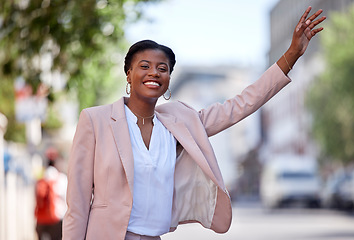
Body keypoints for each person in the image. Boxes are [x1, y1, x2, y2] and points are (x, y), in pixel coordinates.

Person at [63, 6, 326, 240]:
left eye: (162, 68)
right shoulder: (95, 120)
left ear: (167, 81)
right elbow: (77, 203)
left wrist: (291, 55)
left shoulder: (179, 123)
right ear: (129, 74)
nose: (154, 72)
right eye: (144, 66)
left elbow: (240, 105)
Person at [35, 147, 68, 240]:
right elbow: (67, 200)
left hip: (41, 219)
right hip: (56, 219)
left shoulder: (40, 178)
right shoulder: (62, 179)